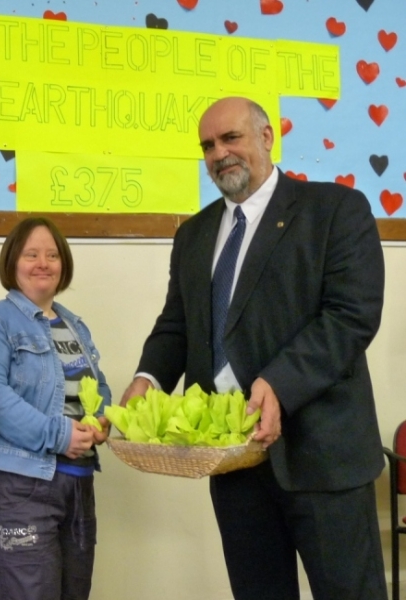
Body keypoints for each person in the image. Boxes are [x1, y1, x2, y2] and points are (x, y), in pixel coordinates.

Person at [122, 96, 387, 599]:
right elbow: (177, 325)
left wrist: (278, 384)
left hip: (322, 458)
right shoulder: (194, 235)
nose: (219, 153)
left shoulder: (335, 210)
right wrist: (148, 379)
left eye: (230, 138)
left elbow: (350, 317)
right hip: (234, 464)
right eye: (207, 145)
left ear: (267, 138)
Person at [0, 217, 112, 600]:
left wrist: (102, 420)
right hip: (17, 489)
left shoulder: (74, 325)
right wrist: (59, 435)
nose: (42, 262)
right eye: (31, 254)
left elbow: (98, 388)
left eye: (51, 254)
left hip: (77, 486)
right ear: (12, 262)